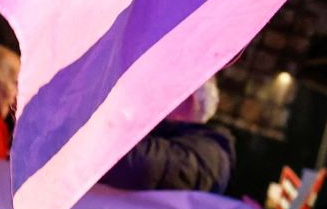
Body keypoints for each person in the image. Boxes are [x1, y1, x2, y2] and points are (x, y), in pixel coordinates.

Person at [100, 79, 234, 194]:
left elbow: (142, 165)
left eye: (165, 89)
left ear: (189, 100)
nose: (151, 96)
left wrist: (96, 131)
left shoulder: (209, 155)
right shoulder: (175, 136)